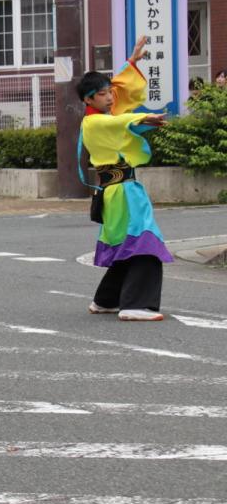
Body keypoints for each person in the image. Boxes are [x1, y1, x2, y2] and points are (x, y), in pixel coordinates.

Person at [79, 35, 172, 322]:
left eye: (109, 92)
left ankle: (106, 300)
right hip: (122, 192)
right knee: (146, 243)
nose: (110, 96)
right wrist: (140, 119)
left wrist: (131, 61)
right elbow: (117, 121)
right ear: (88, 99)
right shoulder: (92, 121)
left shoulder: (102, 113)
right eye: (103, 93)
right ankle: (136, 305)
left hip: (118, 192)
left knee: (127, 245)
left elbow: (121, 93)